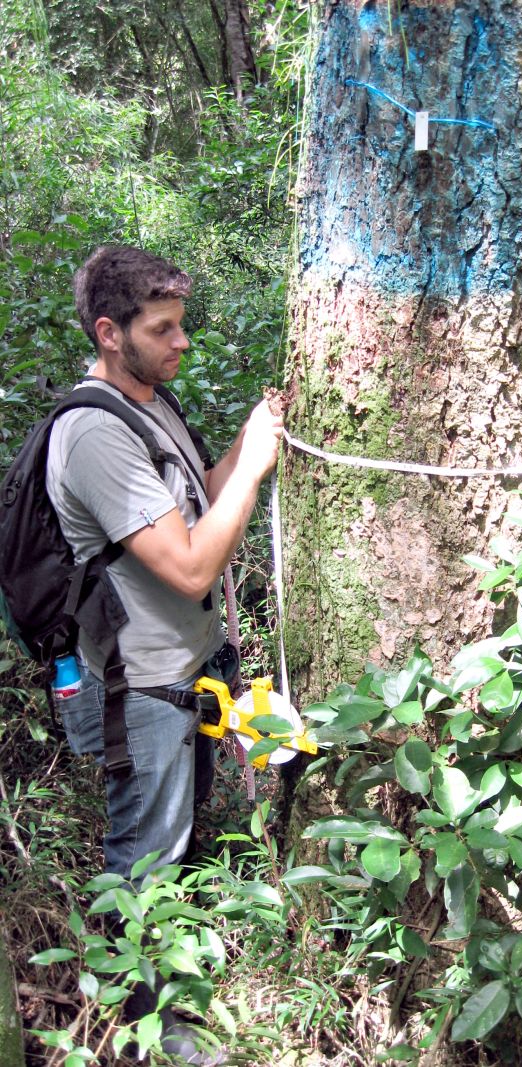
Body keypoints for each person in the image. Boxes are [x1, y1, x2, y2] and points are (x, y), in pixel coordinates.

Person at [45, 244, 284, 884]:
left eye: (180, 323)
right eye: (162, 329)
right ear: (110, 334)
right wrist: (254, 473)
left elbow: (195, 497)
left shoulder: (150, 399)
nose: (181, 342)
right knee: (146, 871)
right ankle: (130, 986)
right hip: (145, 693)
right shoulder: (95, 433)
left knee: (181, 847)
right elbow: (188, 568)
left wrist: (249, 440)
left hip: (189, 672)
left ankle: (176, 970)